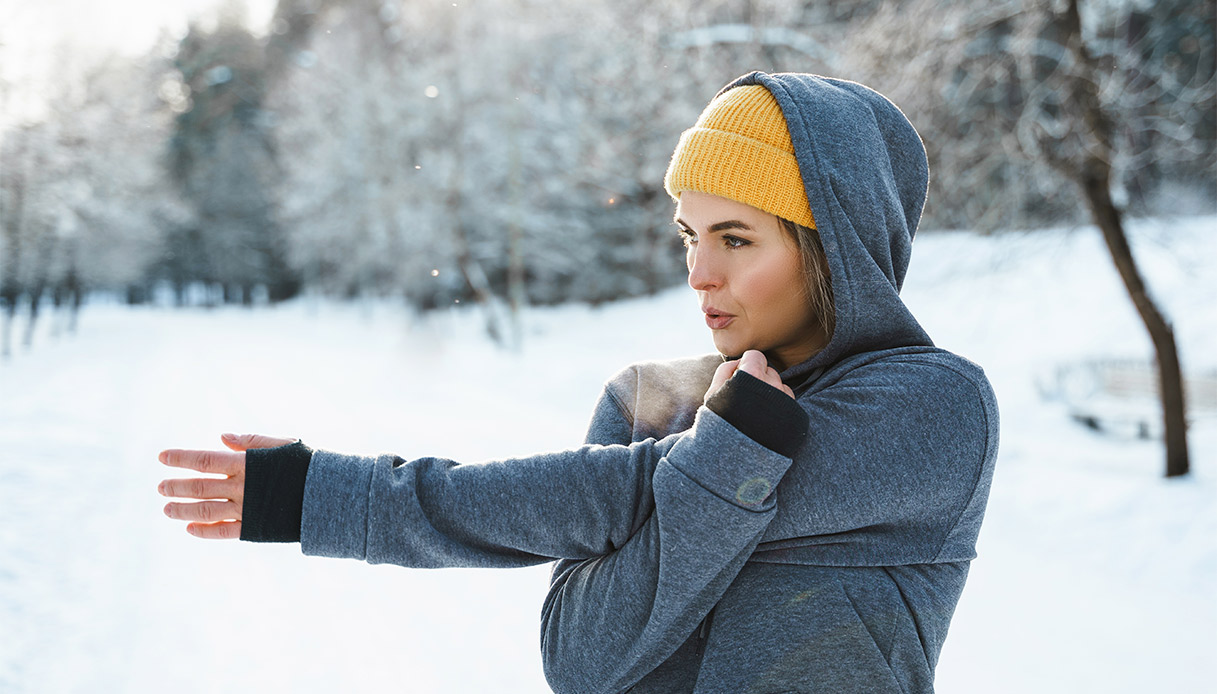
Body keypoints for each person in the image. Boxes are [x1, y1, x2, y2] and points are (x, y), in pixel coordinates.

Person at [159, 71, 999, 693]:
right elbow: (581, 665)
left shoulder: (931, 406)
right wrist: (727, 456)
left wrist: (346, 498)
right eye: (688, 234)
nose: (697, 272)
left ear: (834, 250)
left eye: (736, 239)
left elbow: (624, 491)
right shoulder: (647, 400)